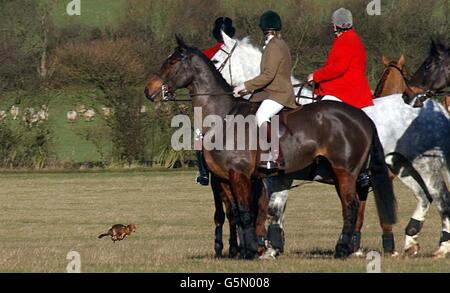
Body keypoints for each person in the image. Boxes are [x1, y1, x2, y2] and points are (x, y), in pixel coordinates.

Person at [233, 10, 297, 170]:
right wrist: (248, 91)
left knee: (261, 116)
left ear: (264, 29)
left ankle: (277, 157)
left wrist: (244, 86)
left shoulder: (274, 46)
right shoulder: (276, 44)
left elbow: (268, 75)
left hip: (279, 93)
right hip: (272, 91)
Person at [196, 17, 236, 186]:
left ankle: (203, 172)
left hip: (211, 105)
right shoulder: (238, 50)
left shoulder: (206, 54)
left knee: (199, 135)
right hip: (235, 99)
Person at [307, 8, 373, 109]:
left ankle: (274, 123)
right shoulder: (352, 38)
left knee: (319, 112)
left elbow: (338, 68)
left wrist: (315, 76)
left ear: (335, 25)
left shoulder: (346, 40)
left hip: (346, 91)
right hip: (352, 88)